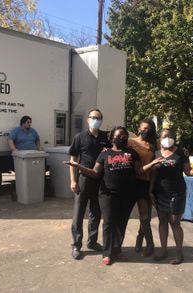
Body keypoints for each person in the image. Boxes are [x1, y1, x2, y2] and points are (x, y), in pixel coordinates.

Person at [66, 126, 162, 265]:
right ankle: (107, 253)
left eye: (124, 136)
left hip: (127, 195)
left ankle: (117, 250)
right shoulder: (104, 154)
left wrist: (152, 163)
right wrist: (78, 166)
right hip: (107, 195)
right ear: (112, 139)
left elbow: (139, 171)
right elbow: (95, 172)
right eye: (117, 136)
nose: (121, 138)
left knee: (121, 224)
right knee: (108, 223)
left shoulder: (132, 153)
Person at [150, 128, 193, 265]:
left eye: (170, 136)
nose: (167, 138)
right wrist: (150, 191)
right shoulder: (156, 153)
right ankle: (163, 250)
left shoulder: (181, 152)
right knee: (162, 221)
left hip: (177, 192)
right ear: (160, 138)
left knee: (175, 221)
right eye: (164, 136)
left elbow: (188, 172)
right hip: (160, 192)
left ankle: (178, 252)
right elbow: (153, 174)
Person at [68, 109, 111, 260]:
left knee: (96, 213)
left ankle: (92, 242)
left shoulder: (106, 137)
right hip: (84, 180)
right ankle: (76, 245)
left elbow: (114, 152)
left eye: (99, 118)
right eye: (93, 117)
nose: (96, 120)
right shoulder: (79, 137)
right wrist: (73, 180)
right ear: (88, 120)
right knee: (78, 213)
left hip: (101, 181)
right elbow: (73, 160)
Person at [127, 118, 159, 257]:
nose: (145, 131)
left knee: (146, 217)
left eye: (148, 128)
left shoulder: (154, 144)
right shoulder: (130, 142)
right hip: (135, 182)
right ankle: (150, 245)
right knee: (144, 216)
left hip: (150, 182)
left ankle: (140, 239)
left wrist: (183, 151)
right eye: (143, 128)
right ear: (138, 128)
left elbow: (168, 147)